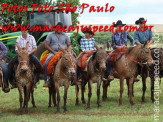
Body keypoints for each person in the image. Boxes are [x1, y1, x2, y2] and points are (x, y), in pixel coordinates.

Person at [8, 25, 42, 89]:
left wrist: (28, 53)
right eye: (23, 30)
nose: (24, 31)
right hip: (20, 55)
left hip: (30, 54)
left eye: (26, 29)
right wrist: (21, 53)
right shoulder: (19, 38)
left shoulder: (31, 37)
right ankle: (13, 83)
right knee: (9, 66)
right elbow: (16, 49)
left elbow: (35, 48)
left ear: (27, 30)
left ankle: (35, 82)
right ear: (21, 31)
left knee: (39, 66)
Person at [43, 22, 71, 87]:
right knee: (46, 63)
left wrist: (67, 51)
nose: (59, 29)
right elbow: (46, 45)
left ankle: (73, 78)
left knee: (74, 62)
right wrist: (53, 51)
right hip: (53, 52)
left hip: (63, 53)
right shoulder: (50, 34)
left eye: (61, 28)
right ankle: (47, 80)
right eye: (58, 28)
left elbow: (69, 44)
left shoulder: (65, 35)